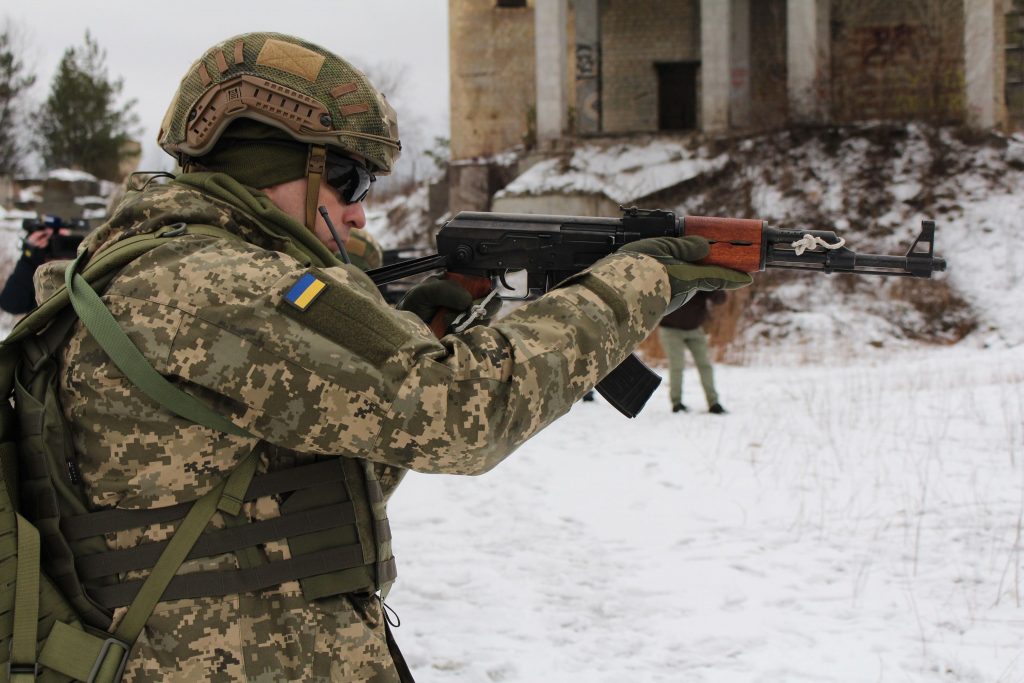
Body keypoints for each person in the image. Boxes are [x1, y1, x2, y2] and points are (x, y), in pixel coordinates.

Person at [33, 32, 751, 682]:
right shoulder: (214, 284)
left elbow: (319, 477)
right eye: (348, 180)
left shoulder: (156, 264)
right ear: (274, 169)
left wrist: (428, 322)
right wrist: (636, 283)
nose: (359, 213)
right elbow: (462, 414)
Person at [658, 290, 728, 414]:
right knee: (677, 366)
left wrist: (713, 288)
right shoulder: (673, 274)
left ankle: (714, 403)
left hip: (695, 329)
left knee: (705, 365)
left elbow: (720, 299)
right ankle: (676, 403)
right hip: (670, 329)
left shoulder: (702, 276)